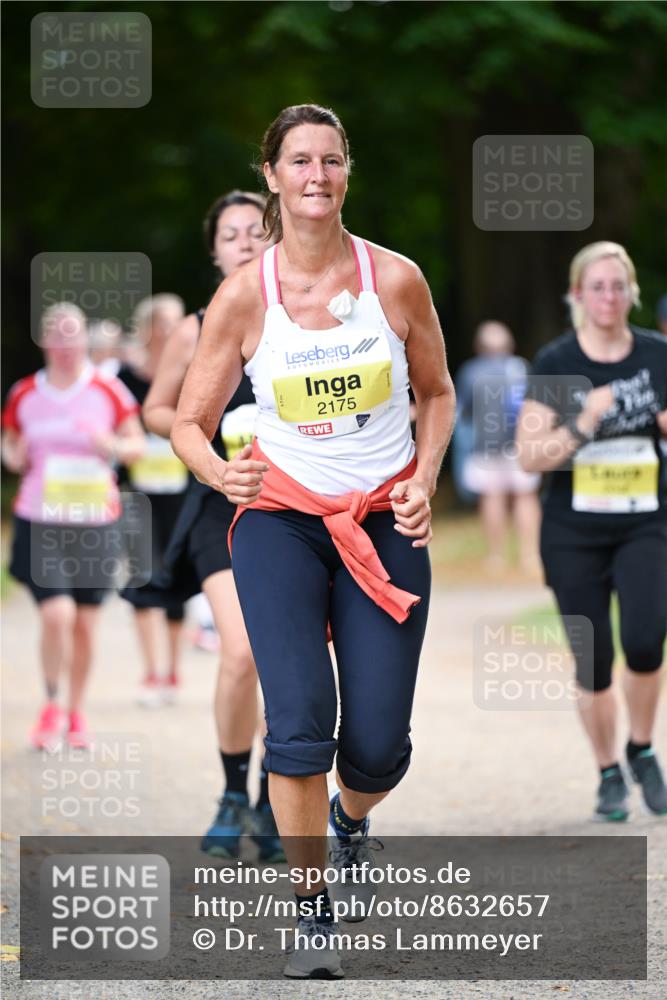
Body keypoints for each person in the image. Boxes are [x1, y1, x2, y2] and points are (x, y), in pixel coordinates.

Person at [171, 104, 455, 979]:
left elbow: (437, 394)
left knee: (375, 746)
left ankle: (351, 818)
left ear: (345, 173)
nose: (315, 176)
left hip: (380, 519)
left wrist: (422, 478)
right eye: (299, 161)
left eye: (330, 160)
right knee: (296, 729)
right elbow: (189, 420)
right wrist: (222, 476)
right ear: (272, 176)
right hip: (280, 525)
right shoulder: (242, 297)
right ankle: (312, 910)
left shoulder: (395, 281)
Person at [142, 189, 285, 862]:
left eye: (257, 231)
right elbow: (155, 411)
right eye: (231, 234)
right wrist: (203, 434)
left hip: (296, 506)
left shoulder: (302, 318)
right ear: (214, 250)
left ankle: (271, 801)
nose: (246, 242)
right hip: (221, 505)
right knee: (241, 651)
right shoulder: (196, 327)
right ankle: (232, 792)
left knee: (290, 660)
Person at [516, 241, 667, 822]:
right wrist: (583, 420)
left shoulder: (657, 356)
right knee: (595, 661)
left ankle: (643, 746)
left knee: (649, 638)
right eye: (597, 287)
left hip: (645, 523)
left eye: (618, 285)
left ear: (632, 292)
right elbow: (531, 456)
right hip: (573, 532)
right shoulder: (557, 364)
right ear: (578, 295)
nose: (609, 297)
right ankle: (608, 771)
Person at [1, 303, 144, 749]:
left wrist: (112, 445)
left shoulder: (108, 389)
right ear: (44, 341)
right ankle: (49, 705)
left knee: (85, 623)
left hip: (95, 522)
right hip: (40, 519)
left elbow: (137, 445)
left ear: (85, 339)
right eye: (56, 335)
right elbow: (9, 445)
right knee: (57, 614)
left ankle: (76, 712)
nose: (65, 345)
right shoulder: (25, 392)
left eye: (73, 335)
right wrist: (14, 457)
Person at [117, 294, 188, 706]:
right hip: (137, 491)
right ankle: (150, 672)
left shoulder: (190, 374)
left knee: (175, 573)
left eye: (177, 323)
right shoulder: (123, 376)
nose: (171, 331)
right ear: (146, 328)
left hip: (179, 490)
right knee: (142, 573)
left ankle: (174, 671)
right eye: (163, 323)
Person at [456, 321, 541, 574]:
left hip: (486, 446)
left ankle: (496, 557)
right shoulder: (521, 367)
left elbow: (464, 412)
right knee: (526, 496)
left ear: (479, 346)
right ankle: (531, 555)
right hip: (520, 443)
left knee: (492, 496)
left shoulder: (471, 371)